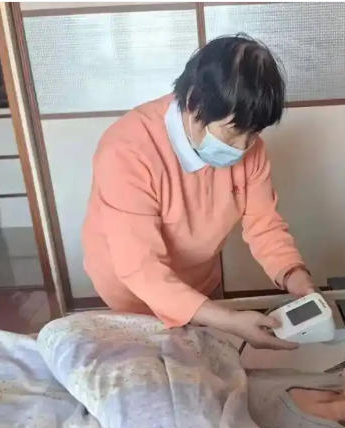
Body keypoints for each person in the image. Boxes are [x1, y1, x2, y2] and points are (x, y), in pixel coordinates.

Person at [82, 35, 313, 350]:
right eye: (233, 132)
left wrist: (295, 277)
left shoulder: (252, 150)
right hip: (133, 290)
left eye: (254, 133)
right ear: (194, 104)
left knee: (203, 360)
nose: (243, 147)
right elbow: (140, 267)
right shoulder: (127, 150)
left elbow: (264, 224)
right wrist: (228, 320)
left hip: (199, 282)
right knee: (151, 362)